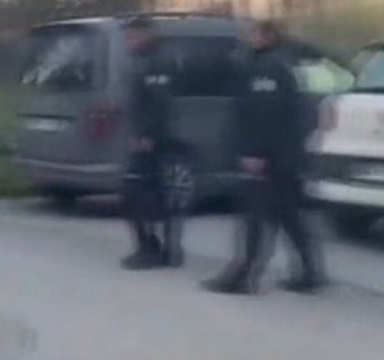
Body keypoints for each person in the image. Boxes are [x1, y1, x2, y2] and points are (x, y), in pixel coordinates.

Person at [203, 20, 327, 295]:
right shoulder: (288, 63)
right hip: (286, 154)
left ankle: (243, 276)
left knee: (254, 218)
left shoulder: (270, 67)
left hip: (270, 156)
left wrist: (256, 152)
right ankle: (310, 273)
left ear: (269, 36)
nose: (251, 38)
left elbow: (266, 114)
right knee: (287, 215)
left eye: (255, 34)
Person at [120, 16, 183, 270]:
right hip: (147, 137)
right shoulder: (142, 60)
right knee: (155, 194)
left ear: (146, 34)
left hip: (154, 140)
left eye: (133, 36)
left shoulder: (159, 62)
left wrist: (147, 135)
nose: (129, 41)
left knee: (138, 194)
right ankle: (161, 248)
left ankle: (153, 249)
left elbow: (159, 102)